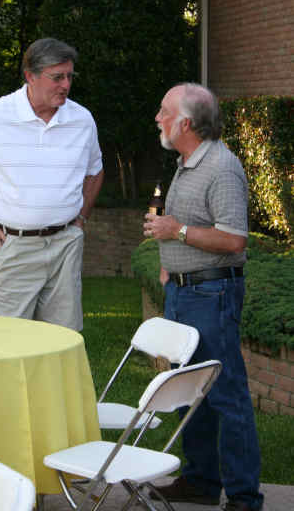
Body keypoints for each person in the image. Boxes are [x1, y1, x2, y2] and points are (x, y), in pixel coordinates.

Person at [143, 83, 263, 511]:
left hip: (212, 295)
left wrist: (175, 231)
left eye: (164, 111)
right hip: (184, 291)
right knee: (190, 391)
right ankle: (201, 481)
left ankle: (245, 496)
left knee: (225, 393)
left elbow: (233, 239)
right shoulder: (186, 163)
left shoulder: (221, 167)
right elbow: (189, 226)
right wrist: (171, 265)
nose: (158, 118)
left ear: (186, 123)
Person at [0, 38, 104, 330]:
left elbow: (95, 171)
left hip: (64, 247)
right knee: (5, 341)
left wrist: (80, 220)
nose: (65, 85)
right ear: (30, 76)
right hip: (8, 249)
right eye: (57, 77)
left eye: (69, 76)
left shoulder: (82, 119)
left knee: (61, 340)